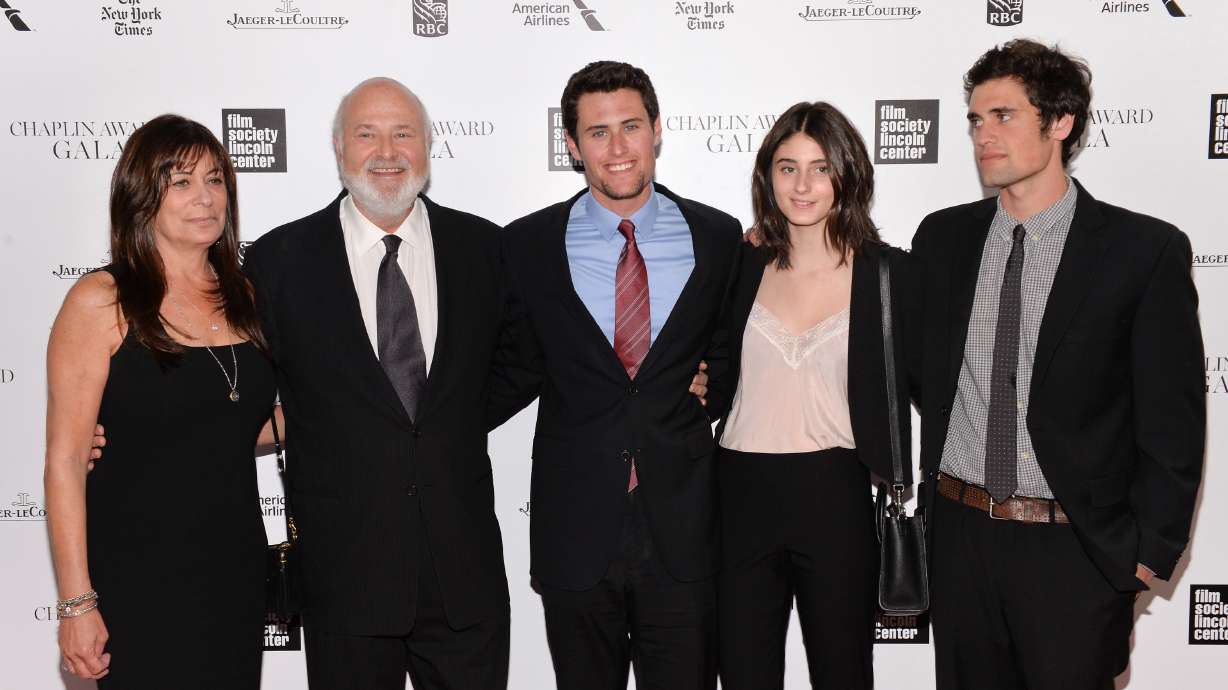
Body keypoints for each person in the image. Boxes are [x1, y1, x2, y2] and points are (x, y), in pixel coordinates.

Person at [908, 39, 1205, 689]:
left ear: (1061, 122)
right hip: (960, 539)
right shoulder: (942, 239)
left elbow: (1173, 425)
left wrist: (1145, 559)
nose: (984, 135)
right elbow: (907, 365)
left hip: (1074, 550)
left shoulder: (1141, 252)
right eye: (976, 120)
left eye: (1004, 116)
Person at [242, 77, 511, 689]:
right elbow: (239, 387)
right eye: (367, 134)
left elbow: (524, 359)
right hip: (346, 576)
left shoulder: (484, 249)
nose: (386, 152)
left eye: (403, 133)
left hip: (464, 576)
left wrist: (458, 416)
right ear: (339, 149)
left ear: (427, 147)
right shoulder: (280, 261)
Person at [491, 60, 741, 690]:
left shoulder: (718, 236)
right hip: (575, 532)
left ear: (657, 129)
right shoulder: (526, 245)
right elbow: (510, 366)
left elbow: (734, 351)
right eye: (598, 132)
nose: (618, 147)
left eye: (631, 126)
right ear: (572, 146)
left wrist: (712, 386)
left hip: (683, 531)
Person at [44, 114, 277, 688]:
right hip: (138, 575)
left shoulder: (246, 296)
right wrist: (77, 603)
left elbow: (234, 426)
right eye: (182, 182)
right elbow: (66, 461)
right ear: (142, 197)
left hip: (234, 570)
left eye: (216, 179)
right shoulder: (102, 300)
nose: (205, 198)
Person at [706, 101, 911, 690]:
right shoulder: (738, 264)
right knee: (743, 674)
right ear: (766, 176)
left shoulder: (888, 276)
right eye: (787, 166)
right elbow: (703, 359)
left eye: (821, 168)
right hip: (739, 492)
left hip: (836, 494)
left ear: (848, 174)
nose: (802, 184)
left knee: (844, 674)